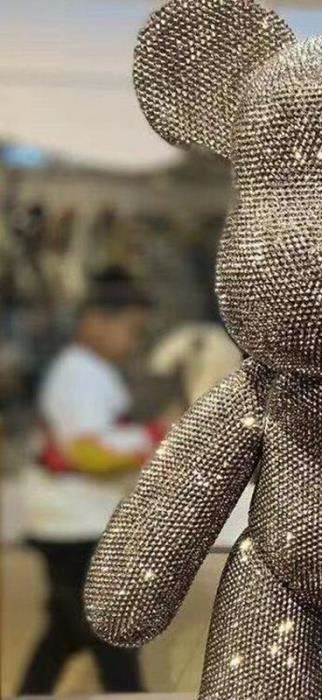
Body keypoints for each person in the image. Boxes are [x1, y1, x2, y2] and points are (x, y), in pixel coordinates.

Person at [18, 266, 166, 694]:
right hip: (74, 523)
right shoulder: (79, 374)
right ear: (95, 321)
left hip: (72, 520)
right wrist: (150, 442)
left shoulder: (88, 371)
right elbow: (86, 453)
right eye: (131, 329)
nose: (134, 341)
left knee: (67, 629)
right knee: (108, 627)